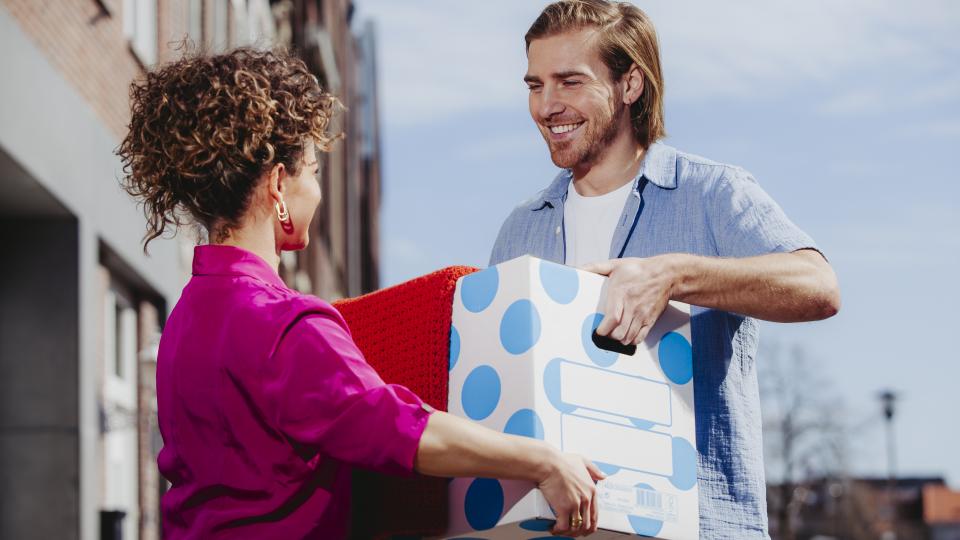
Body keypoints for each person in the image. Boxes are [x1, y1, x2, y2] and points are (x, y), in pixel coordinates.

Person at [117, 47, 602, 539]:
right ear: (279, 185)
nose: (319, 191)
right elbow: (401, 431)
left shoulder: (184, 318)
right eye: (313, 171)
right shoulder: (283, 322)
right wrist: (544, 460)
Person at [489, 1, 841, 538]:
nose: (547, 106)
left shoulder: (712, 193)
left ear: (630, 84)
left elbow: (819, 286)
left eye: (570, 82)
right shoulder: (520, 229)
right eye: (535, 85)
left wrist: (673, 275)